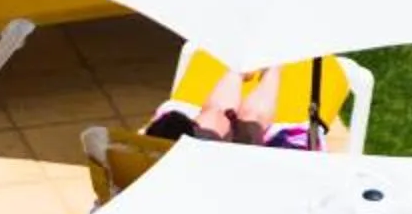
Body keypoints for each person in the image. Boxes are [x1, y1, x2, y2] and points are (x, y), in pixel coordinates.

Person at [141, 65, 345, 151]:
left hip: (179, 158)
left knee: (214, 115)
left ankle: (240, 71)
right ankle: (271, 68)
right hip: (227, 170)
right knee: (249, 121)